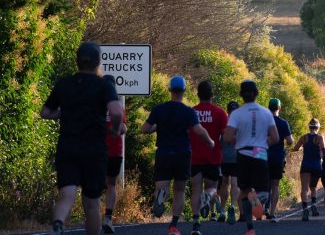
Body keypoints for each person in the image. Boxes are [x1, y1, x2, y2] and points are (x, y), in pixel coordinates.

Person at [41, 42, 124, 235]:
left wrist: (64, 113)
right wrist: (114, 128)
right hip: (93, 149)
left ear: (77, 61)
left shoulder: (64, 84)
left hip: (68, 146)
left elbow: (45, 112)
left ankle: (59, 222)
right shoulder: (104, 85)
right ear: (98, 62)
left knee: (67, 193)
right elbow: (116, 111)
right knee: (92, 201)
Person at [141, 76, 215, 235]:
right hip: (182, 153)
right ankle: (173, 225)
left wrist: (156, 127)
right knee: (179, 191)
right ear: (184, 91)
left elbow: (145, 129)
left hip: (164, 153)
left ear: (169, 90)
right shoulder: (189, 111)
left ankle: (161, 196)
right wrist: (210, 142)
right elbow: (198, 130)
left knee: (162, 186)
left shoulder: (159, 109)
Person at [223, 80, 279, 235]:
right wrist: (261, 144)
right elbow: (275, 137)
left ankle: (250, 228)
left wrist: (238, 141)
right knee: (264, 192)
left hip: (242, 154)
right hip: (259, 153)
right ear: (257, 93)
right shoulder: (266, 112)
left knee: (245, 189)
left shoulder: (236, 113)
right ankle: (256, 203)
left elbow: (227, 137)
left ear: (241, 94)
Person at [190, 81, 228, 234]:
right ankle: (208, 196)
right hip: (213, 157)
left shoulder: (191, 112)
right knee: (212, 188)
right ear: (212, 95)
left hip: (194, 157)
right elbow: (226, 136)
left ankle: (196, 221)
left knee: (195, 190)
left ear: (198, 95)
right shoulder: (220, 113)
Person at [102, 75, 126, 235]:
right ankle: (108, 218)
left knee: (94, 186)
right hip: (115, 151)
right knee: (111, 184)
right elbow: (123, 128)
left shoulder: (94, 105)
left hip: (97, 151)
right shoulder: (118, 107)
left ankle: (94, 218)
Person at [266, 98, 293, 221]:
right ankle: (272, 212)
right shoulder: (283, 123)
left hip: (263, 156)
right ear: (279, 108)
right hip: (277, 157)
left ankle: (260, 209)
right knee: (275, 185)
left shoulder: (263, 122)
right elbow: (289, 141)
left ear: (268, 107)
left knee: (262, 184)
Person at [292, 119, 325, 221]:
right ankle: (314, 204)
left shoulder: (304, 137)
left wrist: (301, 148)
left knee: (304, 188)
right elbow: (323, 149)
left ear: (309, 127)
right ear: (318, 127)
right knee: (313, 187)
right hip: (316, 165)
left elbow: (296, 148)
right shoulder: (319, 137)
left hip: (306, 165)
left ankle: (305, 209)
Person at [218, 101, 240, 224]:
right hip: (237, 158)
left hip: (224, 158)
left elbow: (218, 139)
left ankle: (222, 210)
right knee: (235, 183)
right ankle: (232, 206)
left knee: (224, 183)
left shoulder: (223, 123)